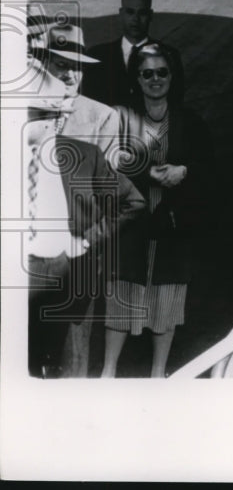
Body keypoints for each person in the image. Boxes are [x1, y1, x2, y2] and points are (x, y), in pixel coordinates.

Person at [22, 56, 146, 378]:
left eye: (42, 116)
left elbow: (132, 202)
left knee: (69, 368)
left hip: (70, 274)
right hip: (18, 275)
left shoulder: (83, 157)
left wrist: (88, 238)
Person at [101, 42, 212, 378]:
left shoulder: (190, 121)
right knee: (122, 296)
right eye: (146, 73)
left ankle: (157, 374)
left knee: (166, 300)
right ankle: (107, 373)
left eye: (162, 72)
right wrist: (145, 171)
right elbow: (108, 159)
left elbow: (210, 168)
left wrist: (185, 172)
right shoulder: (120, 116)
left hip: (172, 225)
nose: (155, 79)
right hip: (131, 225)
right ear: (136, 77)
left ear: (172, 75)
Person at [33, 22, 122, 377]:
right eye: (61, 65)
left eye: (78, 65)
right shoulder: (24, 112)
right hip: (30, 258)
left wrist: (86, 242)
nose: (70, 75)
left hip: (78, 260)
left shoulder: (102, 117)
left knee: (73, 360)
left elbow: (113, 199)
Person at [81, 0, 185, 108]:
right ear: (121, 14)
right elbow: (87, 103)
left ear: (150, 15)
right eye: (130, 12)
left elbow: (174, 102)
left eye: (142, 13)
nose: (135, 19)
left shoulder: (169, 56)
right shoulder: (97, 56)